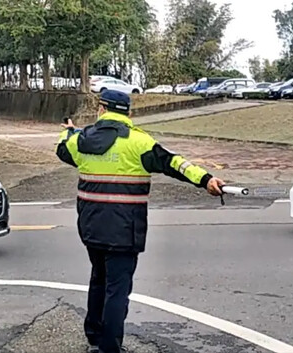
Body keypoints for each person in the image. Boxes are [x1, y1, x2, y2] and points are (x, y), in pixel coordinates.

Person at [56, 90, 225, 353]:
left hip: (90, 226)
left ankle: (94, 334)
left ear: (102, 110)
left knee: (98, 278)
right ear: (128, 113)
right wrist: (206, 179)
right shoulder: (139, 143)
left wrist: (69, 131)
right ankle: (109, 348)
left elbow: (62, 149)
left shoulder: (82, 140)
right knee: (117, 290)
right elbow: (174, 163)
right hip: (124, 230)